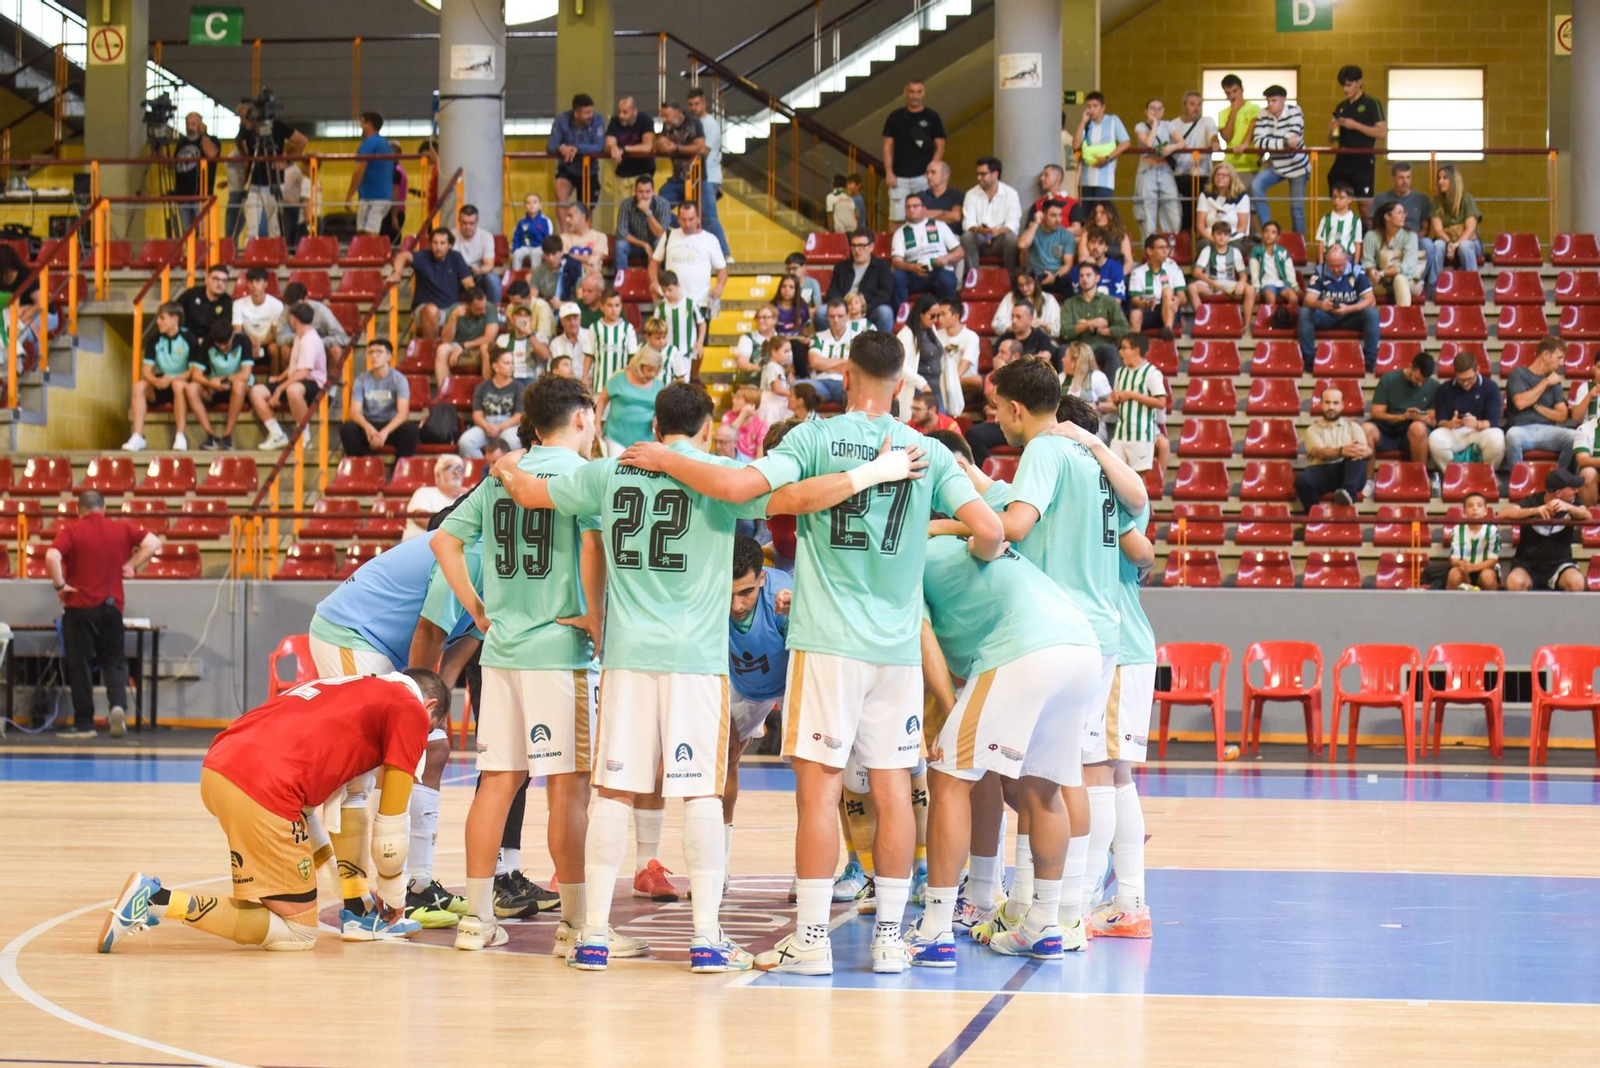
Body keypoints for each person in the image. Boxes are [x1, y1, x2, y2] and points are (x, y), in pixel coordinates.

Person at [501, 381, 931, 973]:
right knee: (701, 791)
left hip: (626, 655)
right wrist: (876, 472)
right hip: (696, 660)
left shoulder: (608, 472)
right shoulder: (723, 475)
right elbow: (797, 499)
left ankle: (593, 935)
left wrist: (506, 461)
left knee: (614, 792)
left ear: (654, 427)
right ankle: (706, 938)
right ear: (707, 429)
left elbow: (526, 490)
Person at [613, 336, 1001, 976]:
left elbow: (741, 490)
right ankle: (890, 941)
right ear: (901, 385)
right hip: (897, 647)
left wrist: (664, 458)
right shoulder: (927, 450)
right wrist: (948, 540)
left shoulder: (816, 437)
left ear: (845, 377)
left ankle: (813, 941)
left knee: (818, 789)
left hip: (828, 641)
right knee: (895, 790)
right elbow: (988, 530)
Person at [431, 375, 614, 954]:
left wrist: (478, 609)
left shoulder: (498, 478)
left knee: (497, 784)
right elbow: (590, 547)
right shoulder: (581, 477)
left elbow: (442, 541)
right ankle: (577, 926)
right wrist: (594, 616)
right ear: (582, 417)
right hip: (557, 651)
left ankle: (477, 919)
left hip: (503, 649)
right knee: (568, 789)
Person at [98, 670, 452, 954]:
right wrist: (393, 899)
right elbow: (390, 834)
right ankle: (155, 900)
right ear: (429, 705)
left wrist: (353, 895)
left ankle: (359, 917)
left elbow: (312, 814)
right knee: (297, 932)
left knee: (293, 901)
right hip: (262, 787)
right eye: (430, 729)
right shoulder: (410, 710)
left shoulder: (359, 690)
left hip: (221, 768)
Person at [911, 458, 1105, 965]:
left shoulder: (915, 553)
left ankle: (934, 928)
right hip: (1081, 648)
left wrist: (951, 713)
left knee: (951, 776)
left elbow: (925, 637)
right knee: (1042, 789)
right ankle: (1045, 923)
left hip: (1025, 649)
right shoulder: (975, 538)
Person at [984, 365, 1148, 952]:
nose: (997, 419)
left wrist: (965, 520)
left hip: (1058, 627)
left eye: (999, 409)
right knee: (1064, 771)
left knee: (1060, 774)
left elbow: (1016, 525)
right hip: (1099, 630)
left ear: (1018, 409)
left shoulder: (1045, 452)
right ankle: (1047, 911)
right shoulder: (1092, 460)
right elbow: (1141, 514)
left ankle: (1062, 910)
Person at [44, 491, 161, 739]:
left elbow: (51, 556)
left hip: (79, 607)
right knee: (114, 661)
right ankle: (117, 707)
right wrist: (132, 564)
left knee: (80, 665)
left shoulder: (71, 531)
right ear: (104, 508)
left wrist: (59, 585)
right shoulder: (121, 529)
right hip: (111, 607)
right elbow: (153, 543)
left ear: (79, 510)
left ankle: (85, 723)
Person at [724, 536, 792, 876]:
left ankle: (806, 873)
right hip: (742, 683)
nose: (736, 605)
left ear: (762, 578)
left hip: (792, 678)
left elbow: (807, 663)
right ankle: (717, 868)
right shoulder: (705, 595)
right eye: (730, 593)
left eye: (746, 592)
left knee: (813, 771)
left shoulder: (784, 594)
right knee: (723, 756)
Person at [1498, 469, 1592, 592]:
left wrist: (1569, 508)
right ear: (1558, 493)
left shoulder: (1573, 502)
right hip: (1527, 564)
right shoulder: (1533, 501)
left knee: (1576, 582)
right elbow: (1502, 514)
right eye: (1572, 488)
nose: (1577, 491)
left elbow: (1587, 515)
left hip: (1560, 564)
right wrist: (1535, 511)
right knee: (1515, 582)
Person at [249, 303, 327, 451]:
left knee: (293, 390)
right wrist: (279, 378)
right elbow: (294, 367)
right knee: (256, 391)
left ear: (294, 319)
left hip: (313, 382)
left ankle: (304, 435)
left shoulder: (310, 339)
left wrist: (279, 388)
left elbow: (304, 372)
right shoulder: (299, 336)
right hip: (296, 378)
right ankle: (277, 434)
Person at [123, 302, 196, 452]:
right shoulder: (154, 339)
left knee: (178, 385)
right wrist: (155, 380)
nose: (158, 322)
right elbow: (146, 370)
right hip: (160, 385)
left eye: (162, 318)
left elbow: (192, 371)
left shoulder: (189, 338)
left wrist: (172, 378)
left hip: (179, 385)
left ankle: (180, 436)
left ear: (174, 319)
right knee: (139, 386)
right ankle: (138, 436)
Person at [1298, 245, 1378, 374]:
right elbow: (1308, 300)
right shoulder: (1320, 271)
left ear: (1347, 258)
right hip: (1327, 316)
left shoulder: (1357, 271)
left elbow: (1370, 299)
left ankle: (1369, 362)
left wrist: (1349, 309)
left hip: (1350, 316)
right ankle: (1309, 361)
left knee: (1372, 313)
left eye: (1339, 266)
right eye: (1332, 266)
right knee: (1304, 312)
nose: (1335, 269)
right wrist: (1320, 304)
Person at [234, 100, 307, 239]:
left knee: (274, 225)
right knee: (252, 226)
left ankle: (276, 255)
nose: (243, 121)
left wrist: (287, 162)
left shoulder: (277, 126)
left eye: (244, 117)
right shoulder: (245, 129)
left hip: (274, 182)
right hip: (253, 183)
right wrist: (246, 157)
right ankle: (252, 255)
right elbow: (238, 140)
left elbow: (302, 141)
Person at [1295, 386, 1371, 511]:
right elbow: (1319, 452)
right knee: (1302, 480)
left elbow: (1365, 450)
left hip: (1349, 472)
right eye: (1327, 402)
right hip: (1323, 472)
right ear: (1321, 404)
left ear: (1342, 405)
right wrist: (1342, 451)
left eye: (1335, 403)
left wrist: (1365, 451)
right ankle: (1315, 518)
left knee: (1357, 456)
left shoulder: (1353, 427)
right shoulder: (1312, 430)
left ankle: (1347, 494)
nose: (1331, 407)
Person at [336, 338, 414, 459]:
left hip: (390, 426)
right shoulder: (361, 379)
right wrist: (368, 429)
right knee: (347, 428)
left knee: (410, 429)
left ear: (389, 356)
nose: (374, 356)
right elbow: (354, 412)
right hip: (370, 425)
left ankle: (398, 471)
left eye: (379, 352)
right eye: (371, 352)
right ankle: (359, 467)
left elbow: (403, 413)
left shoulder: (400, 379)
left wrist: (384, 433)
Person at [1364, 350, 1439, 476]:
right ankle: (1368, 482)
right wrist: (1400, 417)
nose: (1420, 384)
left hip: (1412, 430)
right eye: (1417, 379)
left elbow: (1433, 420)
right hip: (1387, 427)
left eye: (1424, 381)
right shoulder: (1389, 379)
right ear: (1410, 367)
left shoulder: (1434, 386)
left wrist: (1422, 418)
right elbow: (1376, 413)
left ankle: (1420, 479)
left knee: (1419, 428)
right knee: (1366, 429)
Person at [184, 319, 255, 451]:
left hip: (237, 385)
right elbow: (196, 375)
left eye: (226, 345)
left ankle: (227, 436)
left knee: (239, 386)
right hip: (215, 387)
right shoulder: (208, 342)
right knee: (191, 388)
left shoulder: (243, 341)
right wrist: (210, 383)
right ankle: (211, 435)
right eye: (219, 345)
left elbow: (245, 374)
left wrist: (223, 379)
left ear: (232, 335)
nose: (222, 348)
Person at [393, 227, 474, 340]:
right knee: (431, 309)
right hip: (423, 309)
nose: (438, 247)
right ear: (430, 244)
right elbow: (403, 255)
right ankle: (430, 348)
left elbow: (469, 284)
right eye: (435, 243)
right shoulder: (423, 257)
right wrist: (397, 273)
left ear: (449, 245)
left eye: (442, 243)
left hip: (450, 310)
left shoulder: (456, 257)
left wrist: (471, 304)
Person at [1430, 350, 1506, 472]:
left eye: (1469, 379)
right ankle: (1451, 474)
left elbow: (1492, 421)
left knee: (1497, 437)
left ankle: (1486, 473)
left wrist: (1477, 423)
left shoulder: (1491, 387)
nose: (1465, 383)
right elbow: (1440, 421)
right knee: (1435, 437)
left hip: (1480, 431)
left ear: (1477, 370)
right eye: (1461, 380)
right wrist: (1451, 423)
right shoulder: (1444, 389)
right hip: (1455, 432)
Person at [1503, 336, 1573, 468]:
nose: (1562, 363)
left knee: (1573, 437)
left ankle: (1559, 479)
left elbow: (1562, 416)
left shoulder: (1555, 380)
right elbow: (1521, 402)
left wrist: (1535, 405)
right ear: (1546, 355)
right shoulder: (1518, 374)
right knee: (1512, 436)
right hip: (1521, 429)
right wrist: (1545, 382)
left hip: (1548, 430)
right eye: (1559, 358)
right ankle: (1518, 482)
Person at [1371, 162, 1439, 297]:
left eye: (1408, 177)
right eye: (1401, 178)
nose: (1405, 181)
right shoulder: (1381, 198)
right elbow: (1375, 225)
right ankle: (1384, 281)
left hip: (1414, 238)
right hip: (1388, 238)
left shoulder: (1422, 199)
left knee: (1429, 245)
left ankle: (1419, 281)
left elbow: (1425, 229)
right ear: (1393, 178)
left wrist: (1411, 239)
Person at [882, 81, 947, 222]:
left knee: (925, 216)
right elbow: (887, 146)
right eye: (911, 91)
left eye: (918, 92)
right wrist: (889, 172)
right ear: (905, 93)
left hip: (924, 177)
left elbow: (940, 145)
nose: (915, 96)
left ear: (923, 93)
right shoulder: (895, 117)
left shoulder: (932, 117)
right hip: (899, 178)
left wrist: (932, 170)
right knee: (897, 218)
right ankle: (897, 244)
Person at [648, 201, 728, 313]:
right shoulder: (668, 236)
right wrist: (653, 281)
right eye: (684, 220)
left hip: (700, 302)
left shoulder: (710, 240)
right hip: (671, 302)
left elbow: (722, 270)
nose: (688, 224)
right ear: (678, 219)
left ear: (698, 218)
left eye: (691, 219)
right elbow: (654, 262)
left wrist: (719, 286)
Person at [1250, 85, 1309, 235]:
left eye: (1274, 100)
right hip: (1275, 165)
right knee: (1256, 186)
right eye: (1268, 101)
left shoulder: (1295, 111)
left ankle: (1299, 244)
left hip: (1297, 167)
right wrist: (1283, 142)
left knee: (1297, 209)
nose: (1270, 104)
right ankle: (1269, 231)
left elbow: (1293, 140)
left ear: (1283, 100)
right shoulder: (1263, 114)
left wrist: (1271, 143)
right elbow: (1258, 142)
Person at [1327, 65, 1386, 206]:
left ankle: (1366, 228)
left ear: (1359, 82)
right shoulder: (1341, 106)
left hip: (1362, 161)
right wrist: (1332, 129)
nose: (1345, 89)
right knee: (1338, 201)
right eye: (1343, 86)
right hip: (1342, 159)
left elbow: (1381, 132)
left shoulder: (1372, 103)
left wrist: (1355, 125)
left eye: (1349, 85)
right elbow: (1331, 139)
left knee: (1364, 207)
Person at [891, 191, 962, 307]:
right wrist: (912, 267)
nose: (911, 209)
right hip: (914, 273)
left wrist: (946, 258)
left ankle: (947, 313)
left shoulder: (940, 225)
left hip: (938, 270)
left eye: (915, 206)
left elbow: (960, 252)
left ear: (924, 208)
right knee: (898, 277)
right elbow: (896, 262)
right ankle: (901, 314)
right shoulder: (900, 233)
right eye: (908, 207)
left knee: (946, 279)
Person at [1108, 334, 1165, 473]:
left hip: (1142, 434)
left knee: (1139, 479)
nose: (1120, 352)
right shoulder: (1120, 372)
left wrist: (1132, 395)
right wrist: (1116, 399)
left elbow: (1161, 402)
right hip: (1120, 433)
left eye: (1124, 348)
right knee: (1113, 474)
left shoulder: (1151, 373)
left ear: (1136, 350)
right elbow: (1117, 404)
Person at [685, 87, 730, 256]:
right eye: (690, 104)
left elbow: (704, 150)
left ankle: (726, 253)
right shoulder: (690, 123)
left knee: (710, 218)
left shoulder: (710, 125)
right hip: (696, 175)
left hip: (709, 177)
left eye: (697, 104)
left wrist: (681, 149)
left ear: (704, 103)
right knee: (698, 219)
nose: (693, 108)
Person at [823, 231, 895, 333]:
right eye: (854, 246)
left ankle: (883, 346)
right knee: (820, 313)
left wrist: (862, 308)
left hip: (869, 307)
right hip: (843, 307)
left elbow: (885, 294)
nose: (856, 250)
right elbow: (832, 291)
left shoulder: (882, 267)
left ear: (871, 247)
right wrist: (844, 307)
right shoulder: (841, 267)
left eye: (861, 246)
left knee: (885, 312)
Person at [1061, 262, 1129, 369]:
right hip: (1077, 347)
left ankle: (1110, 386)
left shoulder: (1109, 301)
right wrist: (1088, 324)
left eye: (1088, 275)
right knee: (1062, 350)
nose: (1084, 279)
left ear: (1097, 278)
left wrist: (1104, 331)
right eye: (1081, 275)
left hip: (1101, 346)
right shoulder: (1070, 303)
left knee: (1111, 351)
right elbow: (1064, 332)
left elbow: (1124, 328)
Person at [960, 156, 1021, 275]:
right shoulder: (971, 194)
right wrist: (980, 230)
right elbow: (968, 223)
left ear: (995, 174)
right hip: (980, 237)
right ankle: (972, 276)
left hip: (1000, 239)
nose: (978, 178)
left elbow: (1013, 224)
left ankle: (1011, 277)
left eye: (983, 174)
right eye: (977, 174)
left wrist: (997, 231)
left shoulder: (1011, 194)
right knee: (967, 236)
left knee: (1011, 238)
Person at [454, 349, 520, 458]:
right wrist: (487, 427)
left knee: (511, 442)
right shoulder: (482, 387)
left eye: (512, 362)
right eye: (507, 363)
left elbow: (519, 416)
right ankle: (485, 468)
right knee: (465, 442)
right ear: (495, 366)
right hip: (486, 424)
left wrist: (499, 427)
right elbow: (477, 414)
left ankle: (501, 470)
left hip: (509, 425)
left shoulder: (518, 386)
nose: (511, 366)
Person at [1170, 91, 1221, 233]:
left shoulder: (1207, 121)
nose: (1196, 108)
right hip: (1179, 175)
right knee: (1182, 215)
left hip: (1202, 175)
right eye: (1192, 104)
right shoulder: (1173, 125)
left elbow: (1213, 135)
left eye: (1199, 104)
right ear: (1184, 105)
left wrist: (1215, 143)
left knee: (1202, 214)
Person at [599, 347, 665, 454]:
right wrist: (597, 424)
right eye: (649, 369)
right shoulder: (619, 378)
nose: (652, 374)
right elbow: (602, 399)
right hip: (616, 437)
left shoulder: (659, 385)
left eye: (655, 370)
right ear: (640, 365)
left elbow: (661, 411)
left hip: (645, 440)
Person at [1189, 222, 1255, 328]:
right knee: (1192, 287)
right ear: (1213, 235)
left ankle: (1246, 325)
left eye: (1225, 235)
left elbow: (1243, 274)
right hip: (1211, 283)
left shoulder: (1235, 251)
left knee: (1250, 289)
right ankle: (1202, 321)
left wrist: (1241, 284)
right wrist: (1211, 282)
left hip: (1229, 283)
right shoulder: (1207, 250)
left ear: (1229, 237)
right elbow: (1197, 272)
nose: (1221, 237)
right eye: (1219, 234)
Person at [274, 281, 349, 372]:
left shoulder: (321, 311)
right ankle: (291, 379)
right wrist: (299, 339)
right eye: (291, 307)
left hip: (322, 347)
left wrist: (317, 342)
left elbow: (343, 338)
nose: (294, 311)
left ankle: (330, 384)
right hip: (298, 346)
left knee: (336, 351)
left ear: (306, 299)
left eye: (297, 305)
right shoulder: (286, 311)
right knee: (285, 350)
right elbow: (279, 338)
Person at [1133, 98, 1182, 237]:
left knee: (1172, 207)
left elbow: (1182, 142)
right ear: (1146, 111)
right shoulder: (1141, 126)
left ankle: (1173, 245)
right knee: (1148, 210)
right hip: (1147, 170)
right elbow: (1148, 143)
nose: (1156, 111)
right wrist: (1154, 124)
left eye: (1159, 109)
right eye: (1152, 108)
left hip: (1165, 170)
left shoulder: (1168, 125)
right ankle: (1149, 247)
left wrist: (1171, 147)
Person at [1072, 92, 1130, 209]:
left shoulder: (1113, 121)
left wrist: (1108, 158)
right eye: (1089, 106)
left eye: (1095, 106)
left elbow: (1125, 142)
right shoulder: (1087, 124)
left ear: (1103, 107)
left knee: (1102, 213)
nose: (1092, 109)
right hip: (1085, 181)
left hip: (1104, 180)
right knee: (1085, 217)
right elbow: (1076, 145)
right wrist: (1082, 122)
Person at [549, 93, 606, 207]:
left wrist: (576, 148)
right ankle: (564, 225)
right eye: (587, 113)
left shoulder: (598, 120)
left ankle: (584, 225)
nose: (590, 115)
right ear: (576, 113)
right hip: (567, 168)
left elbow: (599, 146)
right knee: (560, 195)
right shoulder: (562, 120)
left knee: (587, 207)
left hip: (590, 169)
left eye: (591, 112)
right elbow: (551, 145)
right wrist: (562, 148)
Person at [802, 299, 862, 405]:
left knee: (855, 394)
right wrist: (844, 362)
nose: (836, 320)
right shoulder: (818, 337)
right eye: (832, 316)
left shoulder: (858, 337)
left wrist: (824, 366)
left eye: (840, 316)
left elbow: (856, 366)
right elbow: (814, 362)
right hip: (820, 383)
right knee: (798, 387)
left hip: (846, 383)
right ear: (827, 317)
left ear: (848, 315)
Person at [1125, 233, 1185, 338]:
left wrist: (1178, 301)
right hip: (1149, 310)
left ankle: (1168, 330)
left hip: (1170, 310)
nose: (1165, 251)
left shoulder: (1173, 266)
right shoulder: (1138, 272)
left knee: (1167, 291)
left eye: (1167, 247)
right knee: (1135, 314)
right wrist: (1147, 303)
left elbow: (1183, 297)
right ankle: (1133, 347)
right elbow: (1134, 300)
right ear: (1149, 251)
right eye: (1161, 248)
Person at [1361, 201, 1420, 307]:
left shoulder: (1410, 236)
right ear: (1387, 216)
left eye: (1404, 213)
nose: (1403, 216)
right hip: (1379, 281)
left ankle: (1403, 319)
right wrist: (1371, 271)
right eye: (1399, 213)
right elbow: (1367, 262)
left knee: (1399, 279)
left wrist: (1383, 273)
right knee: (1360, 283)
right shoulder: (1371, 236)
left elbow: (1407, 266)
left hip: (1408, 280)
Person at [605, 94, 657, 212]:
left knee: (644, 210)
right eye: (619, 112)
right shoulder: (614, 121)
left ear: (634, 112)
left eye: (625, 112)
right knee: (622, 211)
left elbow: (647, 147)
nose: (621, 116)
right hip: (622, 174)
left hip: (643, 172)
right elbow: (609, 143)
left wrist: (624, 149)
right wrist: (613, 147)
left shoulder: (645, 120)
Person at [435, 289, 501, 382]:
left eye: (484, 306)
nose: (483, 311)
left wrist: (463, 346)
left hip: (479, 344)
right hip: (458, 344)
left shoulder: (490, 308)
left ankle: (487, 389)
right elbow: (446, 340)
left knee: (485, 348)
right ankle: (444, 392)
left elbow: (489, 338)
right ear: (467, 306)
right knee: (442, 349)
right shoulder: (453, 310)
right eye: (478, 309)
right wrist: (453, 318)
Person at [171, 112, 220, 234]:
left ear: (200, 125)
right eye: (188, 124)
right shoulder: (182, 142)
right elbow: (175, 164)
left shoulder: (211, 140)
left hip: (200, 195)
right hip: (183, 195)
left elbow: (212, 154)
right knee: (187, 233)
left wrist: (203, 134)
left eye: (193, 124)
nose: (190, 127)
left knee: (202, 233)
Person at [1429, 164, 1484, 272]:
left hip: (1468, 241)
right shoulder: (1436, 201)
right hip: (1446, 240)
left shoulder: (1467, 199)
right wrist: (1449, 242)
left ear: (1453, 180)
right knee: (1437, 245)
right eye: (1439, 178)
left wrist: (1455, 245)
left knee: (1465, 246)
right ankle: (1434, 284)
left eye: (1445, 178)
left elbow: (1470, 229)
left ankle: (1472, 283)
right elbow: (1438, 230)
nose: (1440, 181)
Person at [1017, 200, 1077, 298]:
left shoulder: (1066, 235)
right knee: (1022, 281)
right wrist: (1036, 223)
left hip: (1056, 276)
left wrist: (1054, 276)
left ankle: (1067, 312)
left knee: (1069, 281)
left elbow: (1068, 264)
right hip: (1035, 276)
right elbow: (1022, 245)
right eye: (1053, 215)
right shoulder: (1033, 231)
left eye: (1060, 215)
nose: (1058, 219)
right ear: (1043, 215)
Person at [347, 111, 393, 234]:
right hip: (384, 197)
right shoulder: (385, 144)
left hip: (372, 198)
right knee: (366, 234)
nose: (360, 126)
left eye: (362, 123)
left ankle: (369, 254)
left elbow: (359, 171)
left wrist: (349, 196)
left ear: (369, 124)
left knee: (367, 236)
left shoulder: (369, 144)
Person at [654, 100, 706, 209]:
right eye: (662, 116)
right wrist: (662, 144)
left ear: (677, 112)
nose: (664, 119)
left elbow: (699, 146)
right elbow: (660, 141)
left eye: (667, 115)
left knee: (695, 213)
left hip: (694, 178)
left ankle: (684, 223)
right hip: (676, 177)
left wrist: (676, 148)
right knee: (658, 208)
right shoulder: (668, 126)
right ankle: (679, 224)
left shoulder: (694, 123)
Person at [585, 288, 639, 393]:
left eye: (617, 305)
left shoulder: (628, 328)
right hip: (600, 384)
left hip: (622, 384)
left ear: (621, 306)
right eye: (609, 305)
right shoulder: (595, 327)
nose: (613, 309)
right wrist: (585, 376)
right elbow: (589, 355)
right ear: (602, 307)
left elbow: (633, 357)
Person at [612, 175, 670, 271]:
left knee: (660, 243)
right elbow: (621, 232)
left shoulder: (663, 204)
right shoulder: (626, 204)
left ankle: (659, 281)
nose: (644, 196)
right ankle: (621, 281)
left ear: (653, 191)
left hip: (655, 243)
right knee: (620, 245)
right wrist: (644, 245)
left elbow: (661, 234)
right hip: (635, 245)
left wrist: (647, 212)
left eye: (648, 192)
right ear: (635, 192)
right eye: (640, 192)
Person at [232, 267, 285, 372]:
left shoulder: (276, 304)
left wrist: (260, 343)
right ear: (247, 284)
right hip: (247, 342)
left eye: (258, 281)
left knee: (274, 349)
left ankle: (274, 381)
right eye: (251, 282)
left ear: (265, 284)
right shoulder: (238, 304)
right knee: (237, 347)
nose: (254, 285)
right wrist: (250, 343)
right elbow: (238, 331)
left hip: (267, 342)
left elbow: (275, 333)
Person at [1446, 492, 1502, 590]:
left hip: (1485, 569)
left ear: (1485, 510)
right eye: (1470, 505)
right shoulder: (1457, 529)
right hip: (1463, 569)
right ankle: (1449, 604)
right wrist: (1464, 568)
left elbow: (1493, 560)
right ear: (1464, 511)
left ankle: (1494, 604)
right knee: (1454, 574)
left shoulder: (1492, 530)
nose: (1475, 508)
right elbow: (1454, 559)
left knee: (1488, 577)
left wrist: (1473, 567)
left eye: (1479, 505)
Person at [1217, 73, 1261, 193]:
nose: (1232, 96)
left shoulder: (1255, 109)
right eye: (1228, 93)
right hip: (1229, 165)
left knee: (1250, 207)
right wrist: (1234, 112)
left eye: (1234, 91)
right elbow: (1227, 137)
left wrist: (1244, 144)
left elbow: (1255, 130)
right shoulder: (1223, 113)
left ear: (1242, 90)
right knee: (1230, 206)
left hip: (1249, 164)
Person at [403, 457, 465, 542]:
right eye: (450, 468)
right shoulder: (424, 493)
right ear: (438, 475)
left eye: (459, 468)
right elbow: (420, 518)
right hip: (420, 544)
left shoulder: (467, 498)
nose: (456, 472)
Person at [558, 204, 609, 299]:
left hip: (593, 278)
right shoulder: (563, 238)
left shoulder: (600, 237)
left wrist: (571, 255)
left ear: (582, 217)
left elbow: (593, 261)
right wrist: (585, 259)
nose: (567, 220)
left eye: (570, 216)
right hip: (570, 278)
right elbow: (564, 260)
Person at [453, 205, 501, 305]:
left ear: (477, 222)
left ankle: (495, 311)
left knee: (493, 279)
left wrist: (479, 270)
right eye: (464, 223)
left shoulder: (486, 236)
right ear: (459, 222)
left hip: (478, 275)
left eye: (471, 223)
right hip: (456, 276)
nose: (468, 227)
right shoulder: (451, 235)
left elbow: (489, 265)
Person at [1249, 221, 1300, 312]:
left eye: (1273, 232)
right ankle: (1271, 320)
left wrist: (1295, 287)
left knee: (1293, 298)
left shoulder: (1282, 251)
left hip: (1281, 283)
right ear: (1262, 234)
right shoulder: (1256, 251)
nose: (1269, 235)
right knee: (1270, 297)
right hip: (1266, 284)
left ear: (1278, 236)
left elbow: (1290, 270)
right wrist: (1256, 288)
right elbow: (1254, 271)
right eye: (1266, 231)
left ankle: (1289, 321)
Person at [176, 264, 233, 345]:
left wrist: (205, 342)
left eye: (224, 281)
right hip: (186, 341)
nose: (220, 284)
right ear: (206, 279)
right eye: (215, 279)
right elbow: (174, 313)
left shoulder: (228, 302)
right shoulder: (191, 294)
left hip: (212, 344)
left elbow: (223, 330)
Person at [1197, 163, 1251, 248]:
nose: (1220, 178)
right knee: (1205, 246)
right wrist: (1215, 240)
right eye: (1217, 175)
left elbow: (1242, 227)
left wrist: (1224, 241)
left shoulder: (1242, 197)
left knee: (1233, 248)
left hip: (1233, 238)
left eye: (1224, 175)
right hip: (1210, 237)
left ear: (1232, 179)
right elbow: (1200, 226)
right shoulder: (1205, 196)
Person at [995, 299, 1058, 367]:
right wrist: (1032, 360)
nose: (1014, 321)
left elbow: (1042, 364)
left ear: (1030, 319)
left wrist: (1014, 363)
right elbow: (997, 365)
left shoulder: (1042, 338)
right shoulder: (1004, 338)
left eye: (1018, 317)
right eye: (1012, 316)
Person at [1313, 182, 1365, 262]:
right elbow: (1321, 242)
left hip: (1348, 257)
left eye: (1341, 197)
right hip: (1329, 257)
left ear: (1350, 199)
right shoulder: (1326, 219)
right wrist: (1321, 263)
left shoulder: (1355, 220)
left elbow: (1357, 243)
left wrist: (1356, 264)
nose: (1337, 200)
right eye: (1334, 197)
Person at [508, 193, 554, 272]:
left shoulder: (545, 220)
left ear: (540, 205)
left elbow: (548, 238)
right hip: (525, 247)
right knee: (517, 254)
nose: (531, 205)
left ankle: (534, 278)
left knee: (535, 254)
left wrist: (547, 251)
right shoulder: (521, 222)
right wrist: (514, 249)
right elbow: (516, 237)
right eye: (528, 203)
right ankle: (515, 276)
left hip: (540, 247)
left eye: (535, 202)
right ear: (525, 206)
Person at [920, 160, 964, 232]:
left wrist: (929, 217)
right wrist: (944, 212)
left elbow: (956, 217)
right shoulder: (920, 196)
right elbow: (918, 216)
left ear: (945, 175)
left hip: (952, 236)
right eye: (927, 173)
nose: (928, 176)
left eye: (933, 172)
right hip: (926, 236)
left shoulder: (957, 195)